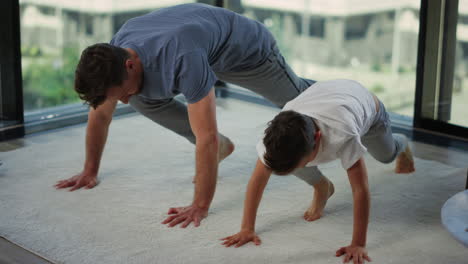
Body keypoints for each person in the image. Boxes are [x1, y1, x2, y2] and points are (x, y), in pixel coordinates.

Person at [54, 3, 315, 228]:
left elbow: (207, 137)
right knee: (140, 98)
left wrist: (199, 205)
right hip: (203, 48)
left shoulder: (182, 57)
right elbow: (100, 116)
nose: (122, 100)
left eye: (120, 93)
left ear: (130, 65)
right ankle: (226, 148)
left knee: (303, 103)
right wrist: (89, 170)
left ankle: (351, 100)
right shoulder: (115, 54)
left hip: (248, 53)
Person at [221, 79, 415, 264]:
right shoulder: (276, 139)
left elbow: (360, 189)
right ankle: (323, 188)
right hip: (329, 97)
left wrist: (358, 244)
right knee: (289, 162)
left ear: (318, 138)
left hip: (370, 112)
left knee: (385, 156)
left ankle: (402, 143)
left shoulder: (343, 133)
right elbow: (257, 181)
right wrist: (247, 228)